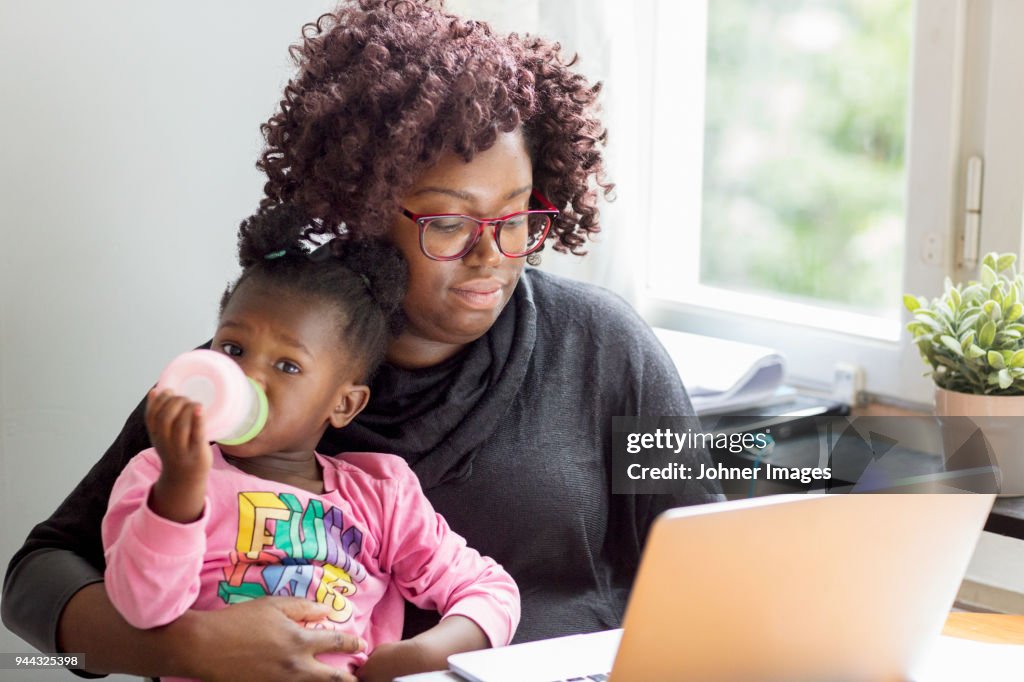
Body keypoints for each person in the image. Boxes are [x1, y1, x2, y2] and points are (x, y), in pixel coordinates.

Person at [2, 1, 722, 680]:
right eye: (449, 223)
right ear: (364, 209)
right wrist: (192, 646)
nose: (494, 254)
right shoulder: (260, 377)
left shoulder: (602, 349)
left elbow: (710, 569)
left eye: (516, 216)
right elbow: (35, 577)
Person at [100, 204, 520, 682]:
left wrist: (425, 655)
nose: (248, 375)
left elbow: (490, 589)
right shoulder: (159, 476)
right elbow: (140, 609)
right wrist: (179, 492)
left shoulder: (381, 495)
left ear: (344, 404)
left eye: (288, 366)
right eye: (233, 349)